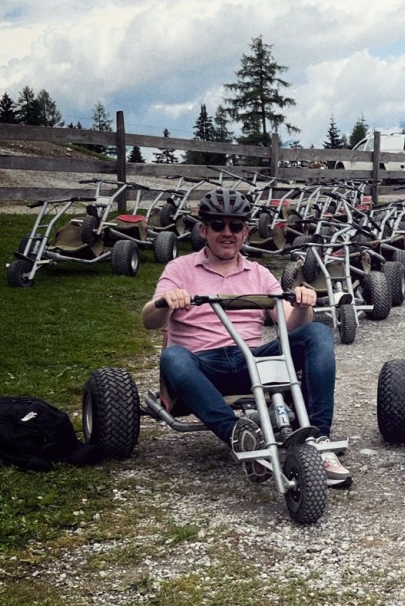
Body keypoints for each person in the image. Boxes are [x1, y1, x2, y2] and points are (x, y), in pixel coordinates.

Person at [141, 186, 352, 488]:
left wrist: (304, 306)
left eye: (235, 226)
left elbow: (291, 326)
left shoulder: (259, 274)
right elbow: (150, 321)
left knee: (317, 331)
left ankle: (317, 437)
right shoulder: (180, 269)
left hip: (249, 362)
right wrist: (164, 302)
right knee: (173, 356)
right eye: (218, 225)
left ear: (245, 232)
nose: (227, 232)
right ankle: (239, 436)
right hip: (202, 366)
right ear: (203, 229)